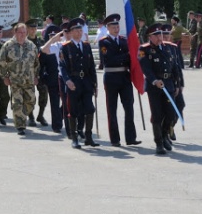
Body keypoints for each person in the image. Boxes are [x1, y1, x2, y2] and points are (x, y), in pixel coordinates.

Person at [99, 13, 140, 147]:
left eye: (117, 26)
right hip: (111, 77)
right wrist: (126, 55)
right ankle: (115, 139)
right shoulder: (103, 42)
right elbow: (109, 60)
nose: (116, 28)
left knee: (129, 107)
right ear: (108, 27)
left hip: (124, 77)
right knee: (112, 109)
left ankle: (130, 137)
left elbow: (131, 58)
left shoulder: (124, 40)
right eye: (113, 26)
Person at [138, 24, 181, 155]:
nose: (159, 37)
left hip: (168, 85)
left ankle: (164, 135)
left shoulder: (168, 48)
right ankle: (159, 143)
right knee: (157, 115)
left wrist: (177, 84)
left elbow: (174, 67)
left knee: (171, 114)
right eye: (156, 35)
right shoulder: (144, 49)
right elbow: (146, 68)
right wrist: (154, 80)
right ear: (149, 37)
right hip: (154, 87)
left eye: (160, 35)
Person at [58, 18, 99, 148]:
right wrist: (67, 80)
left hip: (86, 82)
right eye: (77, 30)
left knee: (90, 109)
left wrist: (94, 84)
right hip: (73, 82)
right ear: (71, 32)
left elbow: (92, 66)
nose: (79, 32)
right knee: (73, 110)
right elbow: (62, 66)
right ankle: (74, 138)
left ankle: (88, 136)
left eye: (81, 29)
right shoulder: (66, 48)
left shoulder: (86, 46)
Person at [0, 23, 40, 136]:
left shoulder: (31, 46)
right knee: (17, 103)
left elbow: (36, 63)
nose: (22, 35)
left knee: (31, 101)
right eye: (20, 32)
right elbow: (1, 62)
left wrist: (36, 76)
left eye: (24, 32)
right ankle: (20, 125)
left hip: (29, 81)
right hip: (15, 81)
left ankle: (21, 115)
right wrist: (4, 76)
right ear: (15, 32)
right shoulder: (8, 46)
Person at [40, 25, 63, 133]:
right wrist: (42, 78)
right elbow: (41, 66)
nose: (53, 37)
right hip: (52, 79)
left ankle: (60, 115)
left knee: (68, 101)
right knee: (54, 103)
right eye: (51, 35)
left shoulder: (62, 46)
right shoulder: (46, 49)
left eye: (56, 35)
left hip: (63, 79)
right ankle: (56, 125)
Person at [26, 18, 48, 127]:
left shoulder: (41, 41)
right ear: (27, 29)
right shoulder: (24, 43)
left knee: (44, 95)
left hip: (41, 73)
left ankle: (41, 115)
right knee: (30, 97)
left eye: (34, 28)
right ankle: (30, 117)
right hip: (28, 73)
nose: (33, 30)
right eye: (31, 28)